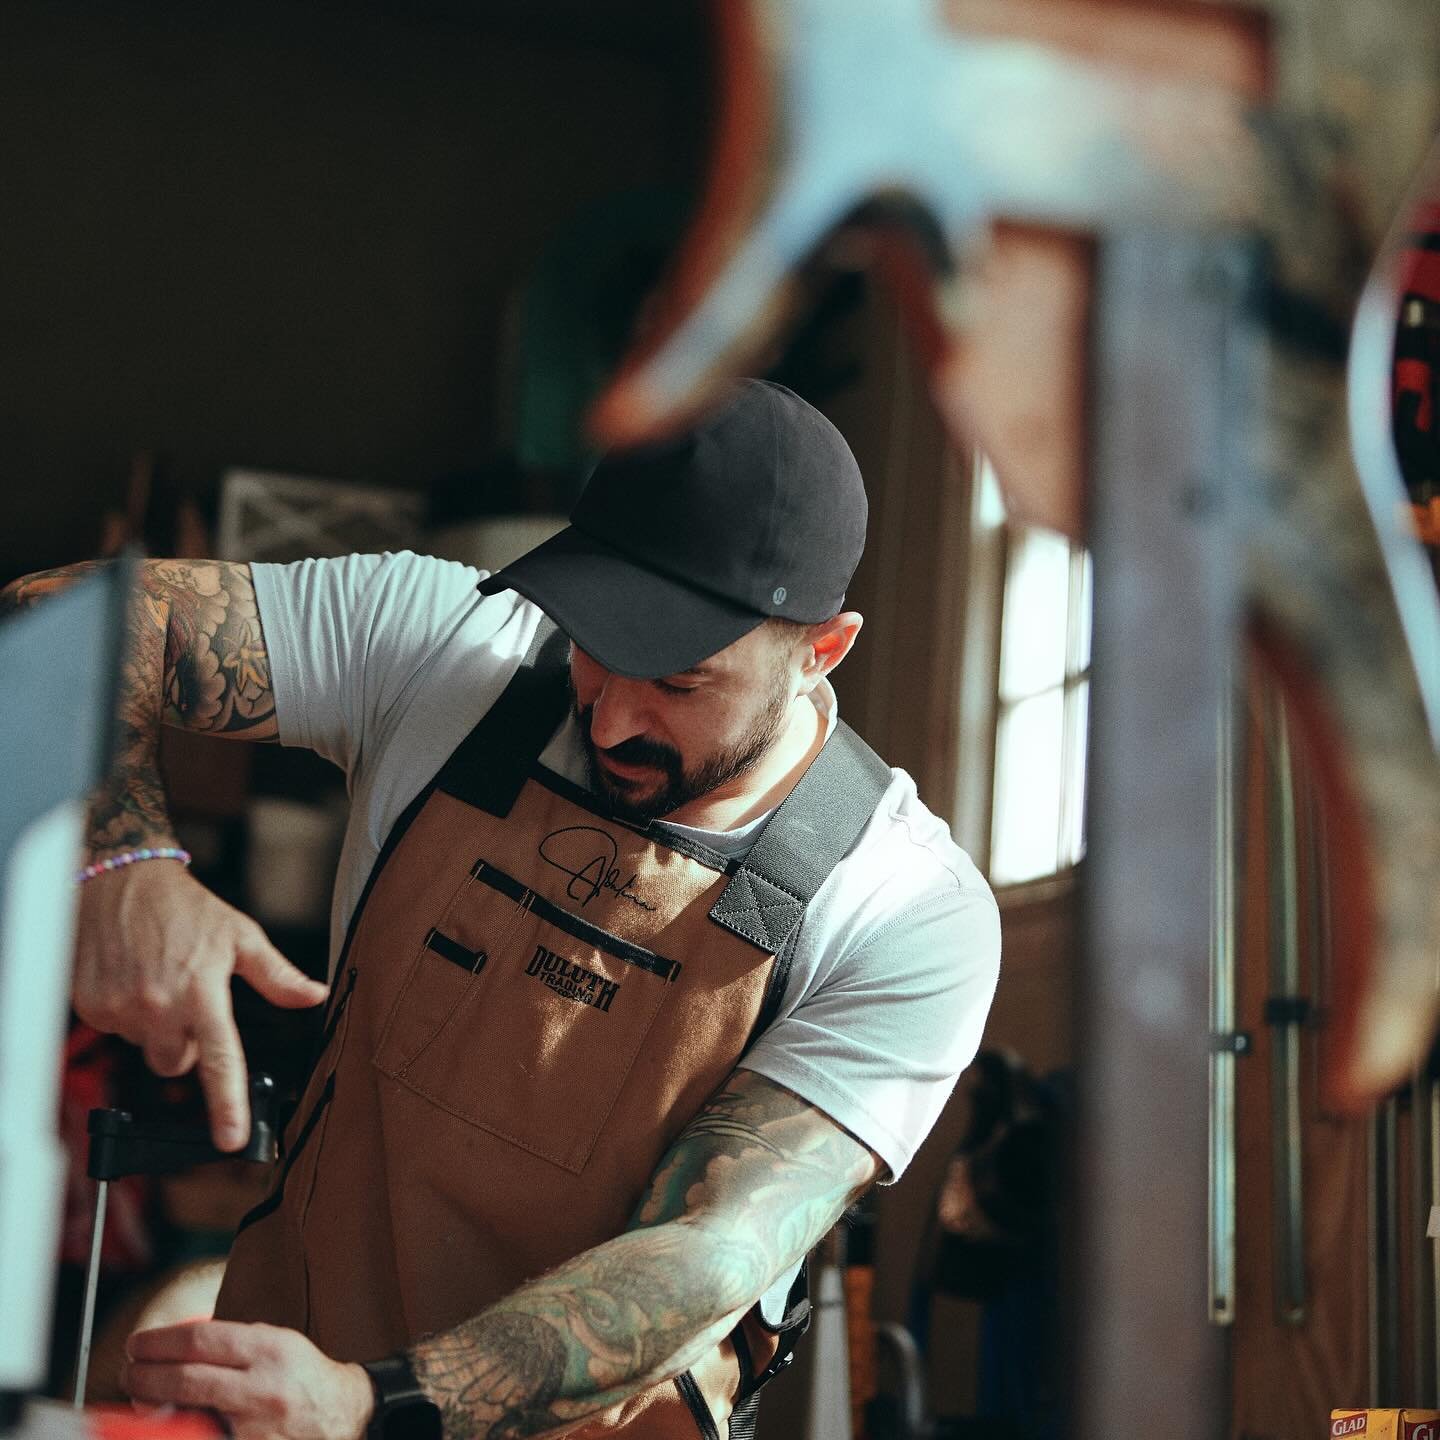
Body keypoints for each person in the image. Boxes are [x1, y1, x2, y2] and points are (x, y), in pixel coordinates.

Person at [5, 380, 1000, 1440]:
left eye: (680, 680)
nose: (613, 715)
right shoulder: (449, 649)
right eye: (597, 641)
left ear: (821, 652)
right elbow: (52, 629)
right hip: (283, 1396)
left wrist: (370, 1406)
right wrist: (125, 863)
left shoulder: (906, 913)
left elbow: (709, 1249)